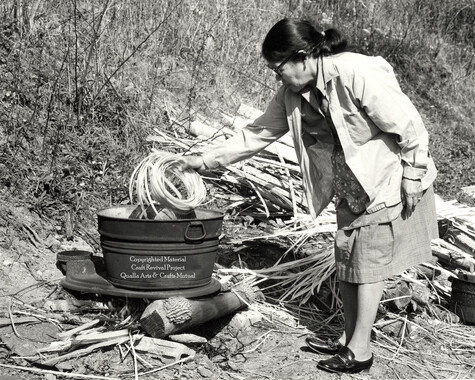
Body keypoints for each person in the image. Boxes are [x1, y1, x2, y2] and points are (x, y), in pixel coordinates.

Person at [182, 18, 438, 374]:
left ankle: (360, 351)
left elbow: (409, 125)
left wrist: (413, 174)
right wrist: (203, 160)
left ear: (302, 58)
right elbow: (255, 135)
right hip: (349, 183)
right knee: (348, 258)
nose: (277, 77)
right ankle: (349, 339)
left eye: (278, 68)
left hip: (386, 175)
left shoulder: (355, 73)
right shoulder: (291, 94)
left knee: (368, 263)